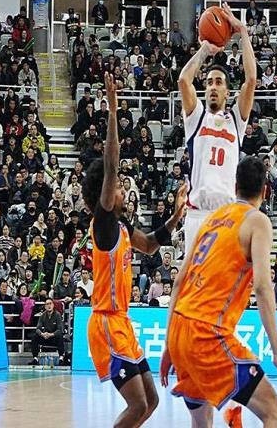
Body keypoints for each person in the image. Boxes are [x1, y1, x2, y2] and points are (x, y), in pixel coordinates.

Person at [160, 157, 277, 427]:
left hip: (179, 330)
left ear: (235, 186)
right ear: (265, 191)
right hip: (206, 333)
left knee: (202, 422)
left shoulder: (213, 218)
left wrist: (169, 345)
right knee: (276, 413)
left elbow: (179, 282)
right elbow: (262, 287)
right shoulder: (257, 221)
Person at [81, 73, 186, 427]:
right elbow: (111, 165)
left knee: (151, 401)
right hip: (106, 323)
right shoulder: (104, 224)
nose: (123, 188)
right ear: (104, 193)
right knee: (138, 404)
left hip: (122, 321)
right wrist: (113, 111)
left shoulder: (124, 228)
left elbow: (151, 245)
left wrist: (176, 215)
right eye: (118, 186)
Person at [179, 3, 256, 255]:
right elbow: (184, 80)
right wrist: (205, 49)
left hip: (227, 214)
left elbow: (251, 80)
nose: (213, 86)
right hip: (197, 215)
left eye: (219, 82)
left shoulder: (236, 120)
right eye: (209, 82)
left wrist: (243, 32)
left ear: (227, 92)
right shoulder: (196, 117)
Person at [28, 298, 65, 366]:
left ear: (53, 305)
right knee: (35, 337)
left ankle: (61, 358)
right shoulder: (43, 315)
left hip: (54, 337)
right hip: (45, 337)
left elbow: (60, 330)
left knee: (60, 336)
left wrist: (51, 334)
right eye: (47, 304)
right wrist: (42, 334)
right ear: (45, 306)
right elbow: (38, 329)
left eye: (50, 303)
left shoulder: (57, 315)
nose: (49, 306)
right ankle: (35, 359)